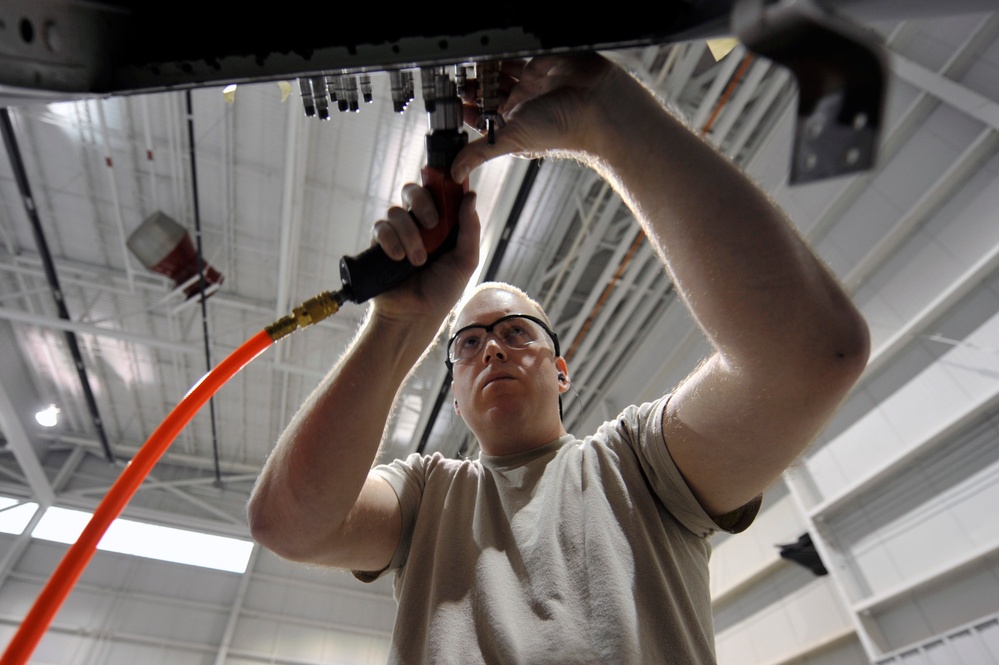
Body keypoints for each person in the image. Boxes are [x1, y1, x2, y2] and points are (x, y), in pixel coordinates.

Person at [247, 54, 870, 663]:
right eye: (467, 344)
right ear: (457, 396)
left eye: (517, 332)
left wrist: (613, 121)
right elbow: (289, 524)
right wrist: (398, 323)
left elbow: (811, 356)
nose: (492, 346)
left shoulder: (641, 467)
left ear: (561, 370)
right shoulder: (423, 496)